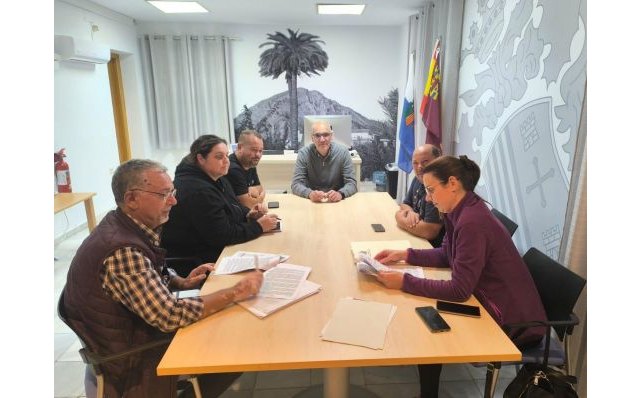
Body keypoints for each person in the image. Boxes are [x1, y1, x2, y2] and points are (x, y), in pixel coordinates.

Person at [62, 159, 264, 398]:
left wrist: (179, 281)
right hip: (134, 354)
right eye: (164, 194)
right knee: (237, 345)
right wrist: (236, 291)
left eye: (172, 192)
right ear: (131, 199)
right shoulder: (122, 250)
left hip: (132, 332)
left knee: (229, 322)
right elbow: (170, 316)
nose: (174, 201)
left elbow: (149, 270)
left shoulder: (122, 224)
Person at [373, 155, 546, 398]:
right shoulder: (460, 210)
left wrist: (404, 281)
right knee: (425, 313)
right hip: (489, 300)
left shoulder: (473, 222)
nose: (427, 198)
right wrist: (405, 255)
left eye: (431, 190)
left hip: (512, 322)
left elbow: (459, 291)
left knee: (428, 326)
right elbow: (447, 254)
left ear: (452, 183)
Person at [162, 135, 279, 265]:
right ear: (201, 159)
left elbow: (231, 208)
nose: (226, 161)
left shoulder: (218, 177)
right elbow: (222, 235)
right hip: (201, 260)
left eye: (226, 155)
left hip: (218, 249)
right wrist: (259, 226)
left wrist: (248, 215)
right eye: (219, 157)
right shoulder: (198, 191)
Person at [291, 120, 357, 202]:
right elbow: (296, 184)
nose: (322, 140)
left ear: (332, 136)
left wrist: (340, 194)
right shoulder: (303, 154)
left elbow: (352, 184)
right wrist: (310, 194)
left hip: (336, 202)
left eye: (326, 135)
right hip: (313, 202)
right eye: (317, 135)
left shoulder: (343, 152)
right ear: (312, 138)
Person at [395, 144, 445, 247]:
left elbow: (430, 231)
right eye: (415, 163)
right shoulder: (418, 179)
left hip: (432, 247)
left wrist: (401, 220)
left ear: (438, 161)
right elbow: (405, 204)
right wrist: (411, 212)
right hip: (416, 238)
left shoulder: (440, 187)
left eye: (425, 162)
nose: (419, 167)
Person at [227, 130, 266, 208]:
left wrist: (250, 189)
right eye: (254, 150)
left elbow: (260, 189)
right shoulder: (233, 169)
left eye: (260, 151)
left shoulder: (250, 163)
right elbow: (250, 205)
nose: (258, 155)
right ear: (240, 147)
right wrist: (260, 198)